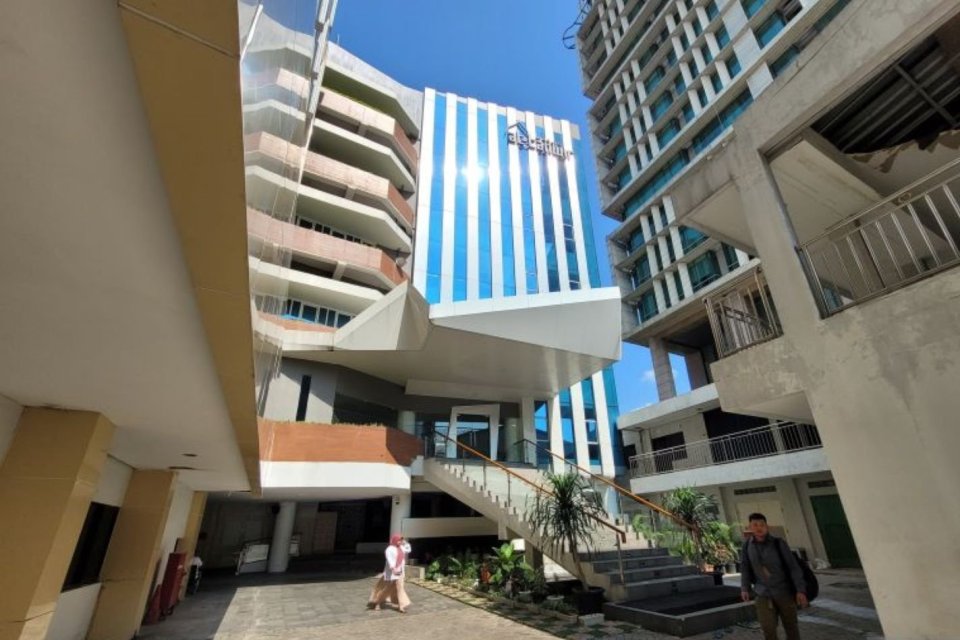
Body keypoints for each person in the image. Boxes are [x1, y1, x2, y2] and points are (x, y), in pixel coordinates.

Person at [740, 513, 808, 640]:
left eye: (762, 524)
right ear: (750, 527)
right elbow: (745, 567)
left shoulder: (778, 543)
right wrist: (744, 587)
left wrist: (800, 590)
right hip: (762, 592)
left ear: (767, 526)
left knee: (791, 627)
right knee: (768, 628)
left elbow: (793, 567)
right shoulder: (747, 546)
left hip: (784, 591)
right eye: (755, 525)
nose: (759, 527)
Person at [367, 533, 411, 613]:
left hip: (400, 572)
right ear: (395, 540)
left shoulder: (401, 547)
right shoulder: (389, 549)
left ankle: (401, 606)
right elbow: (389, 559)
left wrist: (405, 543)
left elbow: (408, 549)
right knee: (386, 589)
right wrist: (393, 568)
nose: (400, 542)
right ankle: (377, 602)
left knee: (400, 588)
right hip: (392, 572)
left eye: (400, 540)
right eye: (399, 540)